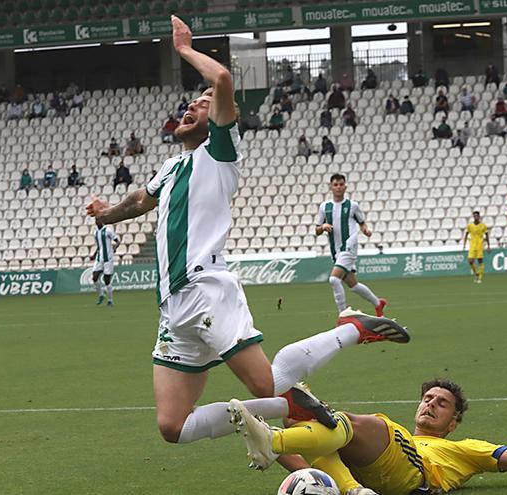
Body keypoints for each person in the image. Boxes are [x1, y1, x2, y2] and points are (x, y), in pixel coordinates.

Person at [86, 16, 412, 452]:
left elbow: (220, 77)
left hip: (206, 290)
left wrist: (184, 50)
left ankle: (349, 330)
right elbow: (140, 202)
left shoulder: (220, 152)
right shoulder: (168, 169)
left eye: (202, 103)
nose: (192, 106)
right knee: (172, 426)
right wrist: (106, 215)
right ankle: (281, 414)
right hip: (170, 303)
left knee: (266, 385)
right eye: (189, 103)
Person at [230, 378, 507, 493]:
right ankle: (344, 489)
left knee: (366, 424)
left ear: (452, 424)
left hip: (415, 477)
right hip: (367, 472)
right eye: (428, 398)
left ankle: (274, 443)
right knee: (313, 426)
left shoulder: (466, 449)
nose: (431, 404)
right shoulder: (399, 436)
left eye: (442, 403)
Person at [315, 173, 387, 316]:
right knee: (353, 285)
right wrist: (323, 227)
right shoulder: (325, 207)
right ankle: (378, 303)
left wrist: (365, 230)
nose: (338, 187)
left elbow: (361, 223)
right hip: (336, 250)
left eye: (341, 184)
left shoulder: (352, 206)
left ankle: (343, 314)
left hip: (349, 247)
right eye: (335, 185)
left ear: (345, 186)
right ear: (331, 187)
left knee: (334, 279)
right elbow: (317, 230)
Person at [91, 218, 121, 306]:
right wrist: (94, 254)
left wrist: (115, 248)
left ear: (102, 221)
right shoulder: (95, 233)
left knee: (106, 280)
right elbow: (99, 246)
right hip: (99, 258)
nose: (97, 222)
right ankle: (101, 295)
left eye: (99, 220)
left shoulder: (108, 230)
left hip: (108, 258)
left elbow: (117, 241)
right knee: (94, 277)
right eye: (96, 220)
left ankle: (110, 300)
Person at [462, 211, 490, 283]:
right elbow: (466, 234)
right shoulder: (470, 226)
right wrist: (464, 244)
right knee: (470, 261)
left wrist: (488, 246)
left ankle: (480, 277)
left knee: (480, 261)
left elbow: (487, 235)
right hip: (472, 245)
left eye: (477, 216)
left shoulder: (483, 226)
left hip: (480, 245)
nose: (476, 217)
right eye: (474, 216)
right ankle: (476, 274)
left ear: (479, 216)